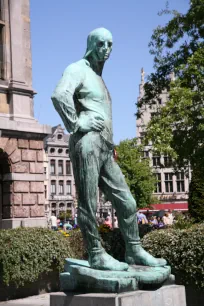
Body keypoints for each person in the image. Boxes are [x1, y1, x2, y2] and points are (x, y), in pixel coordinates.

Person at [51, 27, 166, 271]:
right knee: (89, 203)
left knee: (127, 202)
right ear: (91, 45)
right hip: (87, 142)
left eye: (110, 44)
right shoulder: (77, 69)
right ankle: (95, 253)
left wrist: (111, 145)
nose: (107, 49)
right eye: (101, 44)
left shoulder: (98, 78)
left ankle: (134, 250)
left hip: (104, 147)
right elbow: (59, 95)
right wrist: (76, 123)